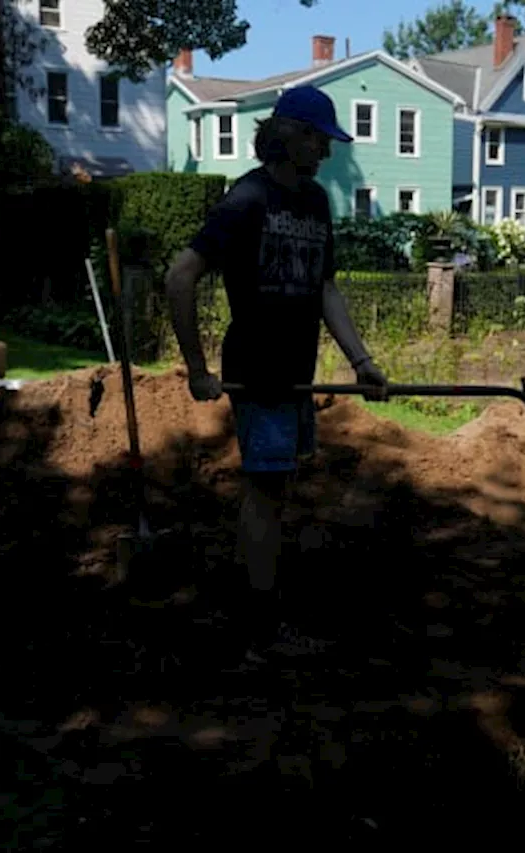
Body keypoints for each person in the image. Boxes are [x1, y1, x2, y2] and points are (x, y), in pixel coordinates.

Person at [165, 85, 389, 665]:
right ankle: (261, 634)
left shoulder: (315, 202)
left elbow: (325, 289)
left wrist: (361, 363)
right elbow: (180, 276)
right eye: (319, 137)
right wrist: (197, 368)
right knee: (265, 496)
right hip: (257, 373)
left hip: (297, 375)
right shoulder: (248, 199)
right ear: (289, 133)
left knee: (273, 493)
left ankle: (256, 613)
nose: (328, 150)